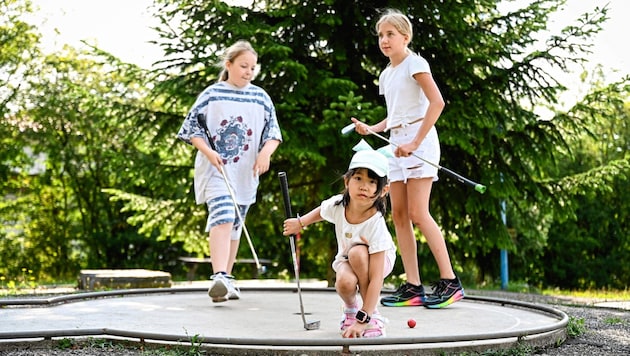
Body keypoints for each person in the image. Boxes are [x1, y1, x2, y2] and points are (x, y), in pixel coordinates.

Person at [351, 9, 464, 309]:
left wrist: (415, 141)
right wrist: (371, 128)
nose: (384, 40)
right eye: (381, 35)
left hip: (421, 144)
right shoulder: (386, 74)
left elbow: (437, 102)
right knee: (399, 215)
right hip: (397, 145)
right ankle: (413, 286)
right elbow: (393, 116)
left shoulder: (416, 63)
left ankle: (450, 282)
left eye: (390, 34)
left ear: (405, 36)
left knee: (418, 212)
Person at [177, 40, 282, 303]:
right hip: (217, 169)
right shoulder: (213, 94)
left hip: (246, 173)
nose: (248, 72)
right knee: (223, 215)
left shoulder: (260, 97)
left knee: (235, 226)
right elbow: (192, 129)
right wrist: (208, 152)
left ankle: (227, 280)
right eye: (243, 66)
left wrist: (265, 153)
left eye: (252, 68)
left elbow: (273, 134)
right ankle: (219, 275)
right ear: (229, 65)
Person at [283, 140, 397, 338]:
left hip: (378, 260)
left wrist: (365, 319)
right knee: (344, 281)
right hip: (348, 258)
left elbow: (377, 277)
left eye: (372, 182)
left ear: (383, 190)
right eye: (358, 178)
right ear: (347, 181)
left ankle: (371, 315)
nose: (364, 186)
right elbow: (322, 211)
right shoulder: (338, 204)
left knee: (358, 253)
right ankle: (351, 310)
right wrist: (300, 223)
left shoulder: (376, 223)